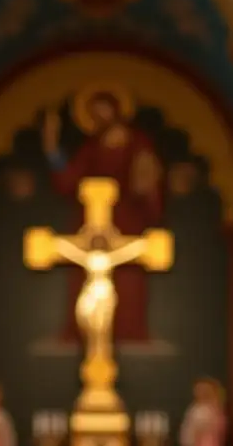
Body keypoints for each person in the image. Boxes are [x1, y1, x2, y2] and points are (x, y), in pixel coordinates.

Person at [41, 88, 162, 342]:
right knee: (80, 277)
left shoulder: (137, 142)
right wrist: (52, 149)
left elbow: (147, 178)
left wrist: (145, 183)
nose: (100, 117)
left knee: (128, 280)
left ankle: (130, 332)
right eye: (94, 112)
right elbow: (69, 180)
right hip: (90, 223)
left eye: (103, 110)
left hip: (126, 221)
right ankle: (82, 334)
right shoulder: (91, 147)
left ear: (116, 110)